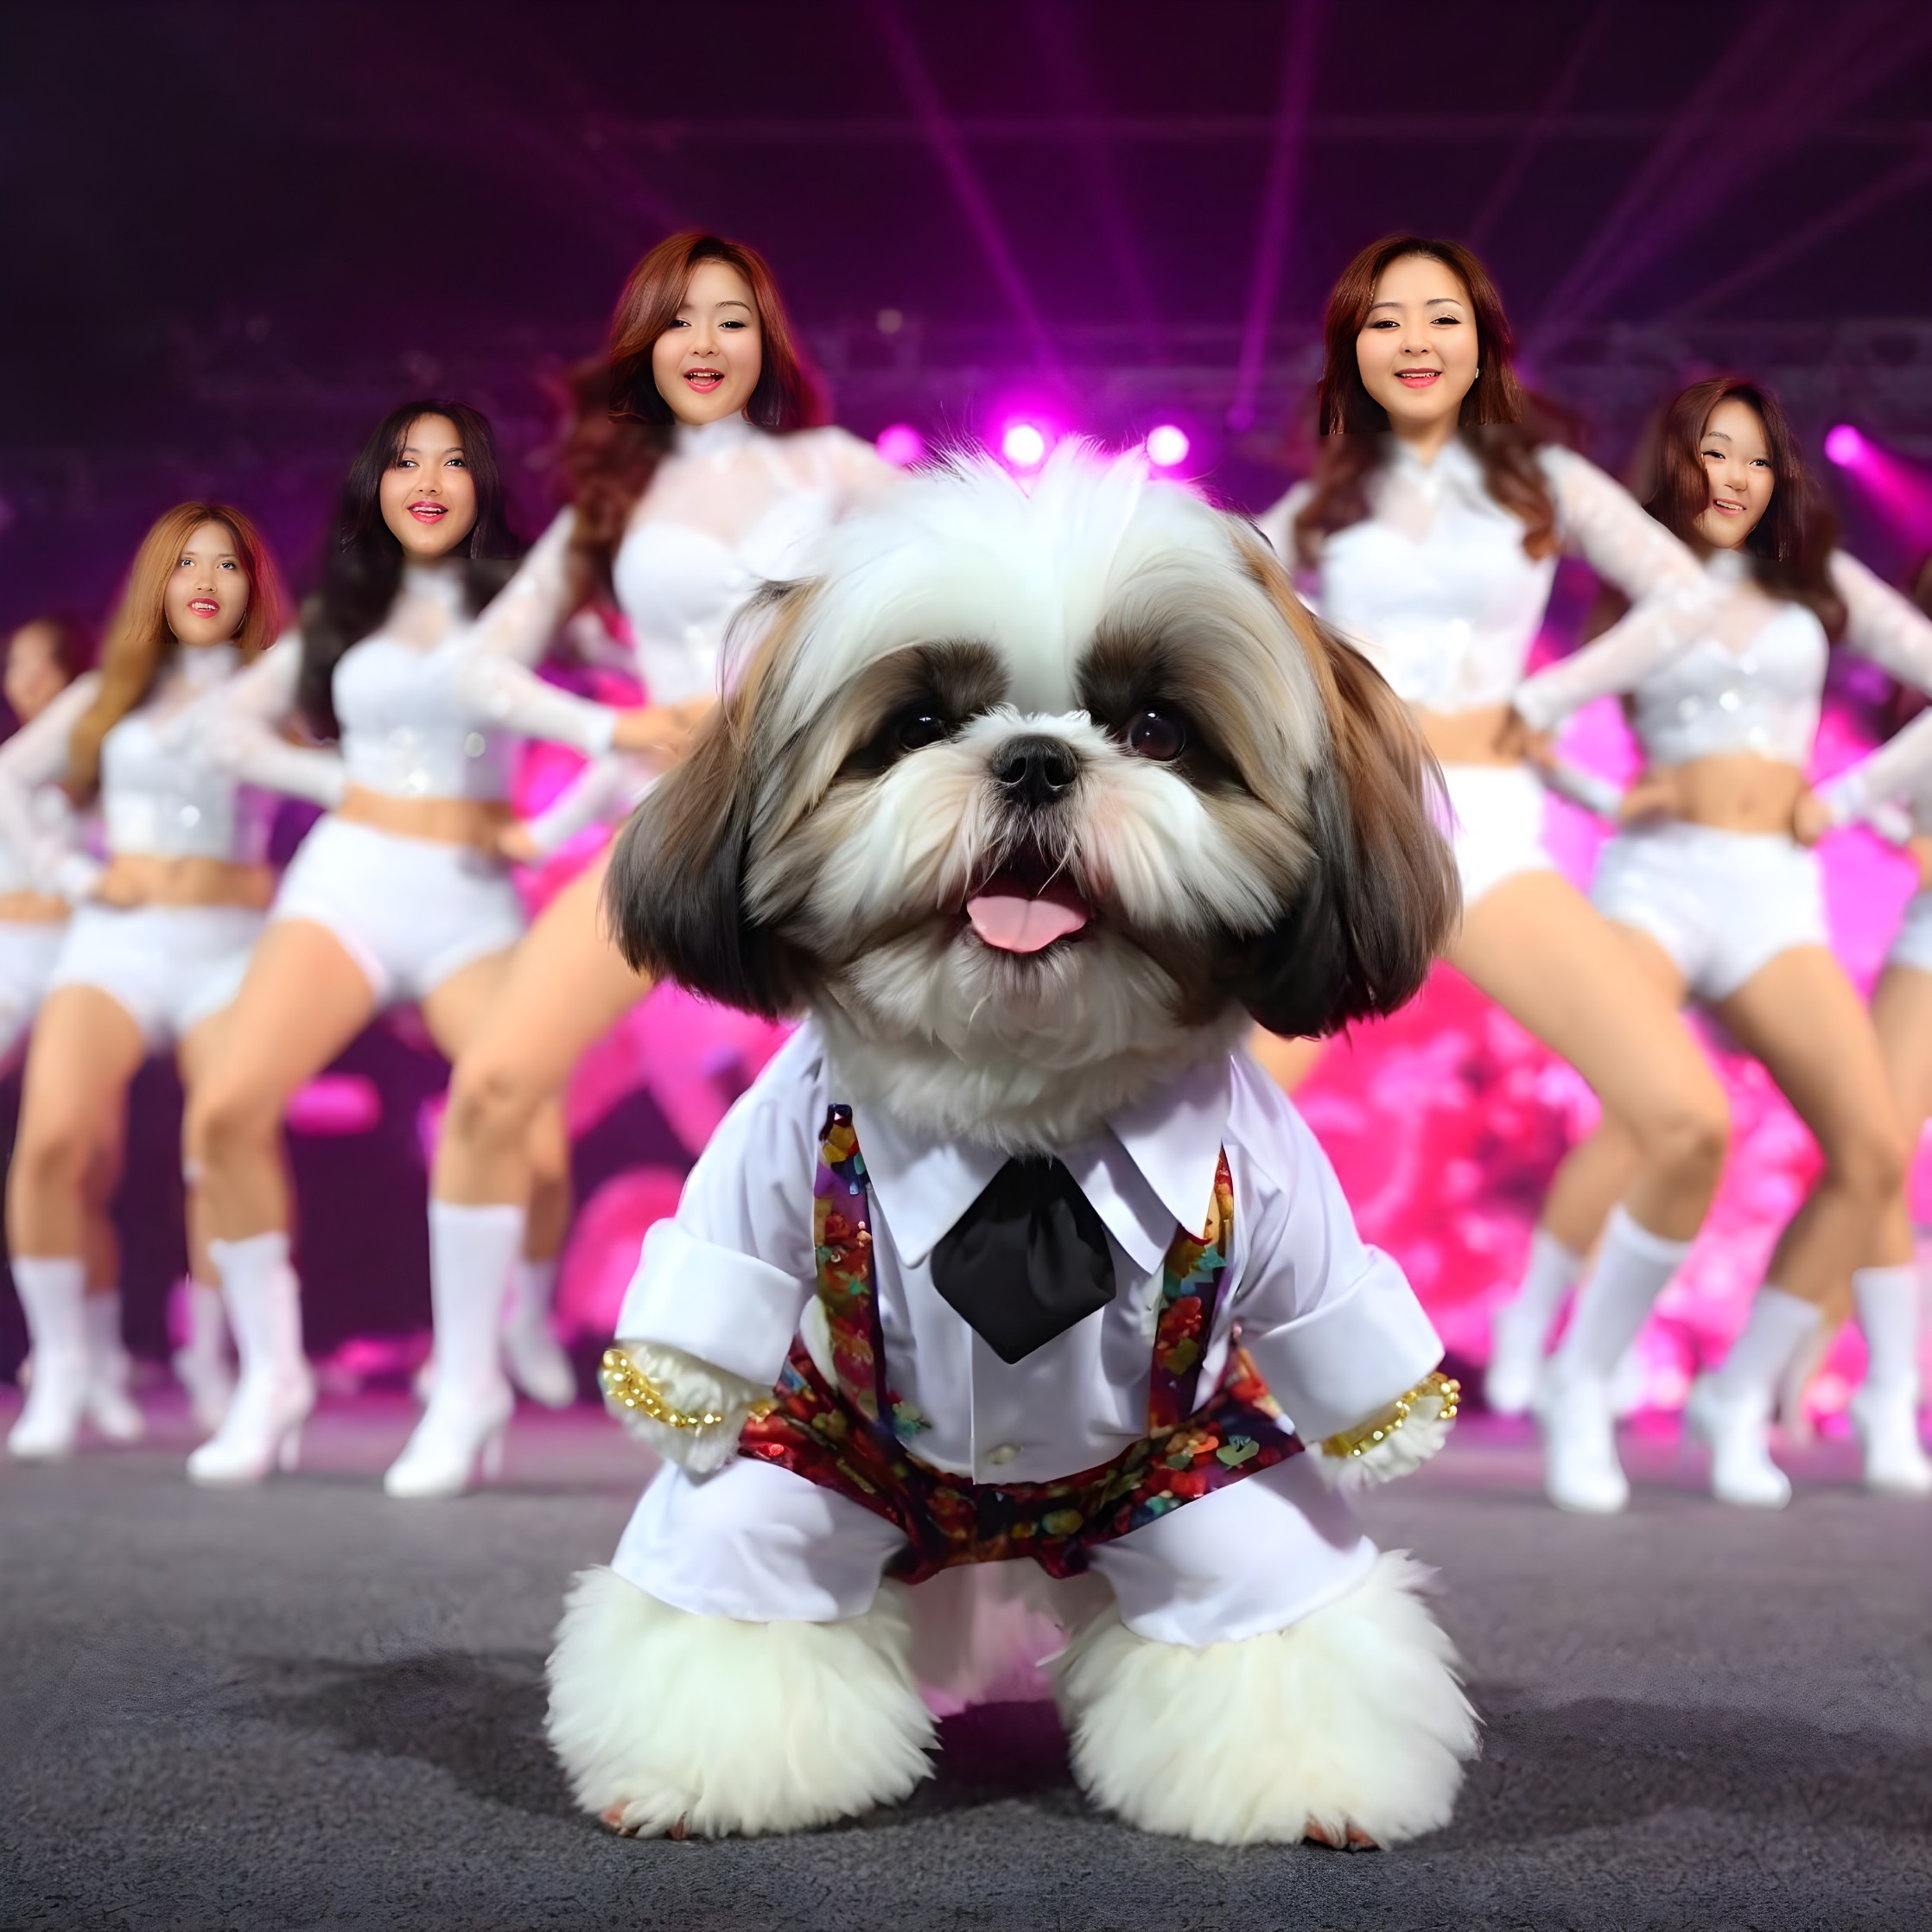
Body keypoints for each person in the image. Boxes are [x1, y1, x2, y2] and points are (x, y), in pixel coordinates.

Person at [410, 232, 897, 1499]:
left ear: (768, 342)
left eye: (731, 320)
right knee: (495, 1084)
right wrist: (611, 725)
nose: (704, 344)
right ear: (644, 342)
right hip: (669, 816)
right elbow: (479, 666)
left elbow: (965, 585)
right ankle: (464, 1388)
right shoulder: (613, 501)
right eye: (678, 321)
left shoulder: (833, 467)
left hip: (808, 817)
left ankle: (883, 1406)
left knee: (883, 1119)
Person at [1254, 234, 1729, 1513]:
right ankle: (1185, 1404)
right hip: (1356, 835)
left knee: (1687, 1119)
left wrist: (1547, 695)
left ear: (1482, 343)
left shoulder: (1545, 481)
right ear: (1351, 347)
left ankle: (1582, 1378)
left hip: (1498, 834)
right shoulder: (1318, 508)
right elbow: (1207, 606)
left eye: (1442, 318)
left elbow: (1682, 596)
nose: (1415, 341)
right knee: (1197, 1134)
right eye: (1387, 320)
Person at [181, 403, 661, 1488]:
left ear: (487, 488)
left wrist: (542, 829)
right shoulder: (342, 617)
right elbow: (227, 732)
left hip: (469, 905)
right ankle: (272, 1377)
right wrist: (346, 787)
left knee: (529, 1140)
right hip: (347, 883)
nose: (429, 479)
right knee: (223, 1111)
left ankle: (501, 1337)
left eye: (454, 461)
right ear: (376, 486)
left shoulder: (527, 612)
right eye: (405, 462)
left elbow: (634, 714)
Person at [1508, 376, 1932, 1504]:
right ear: (1673, 468)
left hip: (1771, 894)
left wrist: (1844, 804)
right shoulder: (1648, 587)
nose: (1736, 478)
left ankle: (1737, 1393)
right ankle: (1570, 1375)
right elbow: (1524, 717)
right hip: (1656, 884)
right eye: (1712, 454)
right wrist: (1603, 798)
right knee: (1651, 1120)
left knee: (1874, 1153)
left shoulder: (1816, 582)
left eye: (1755, 458)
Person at [4, 505, 339, 1461]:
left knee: (227, 1141)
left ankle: (255, 1368)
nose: (204, 580)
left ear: (249, 586)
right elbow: (10, 781)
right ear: (156, 582)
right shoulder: (115, 690)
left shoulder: (269, 692)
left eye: (225, 564)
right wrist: (75, 874)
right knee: (52, 1145)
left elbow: (349, 781)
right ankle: (63, 1363)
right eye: (184, 564)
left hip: (231, 949)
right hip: (116, 945)